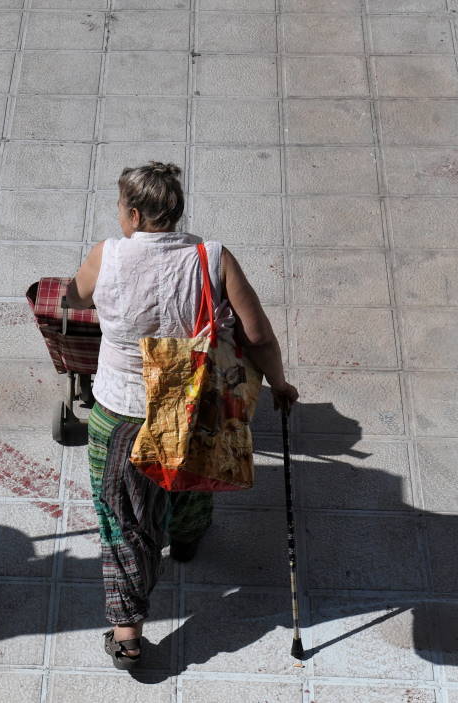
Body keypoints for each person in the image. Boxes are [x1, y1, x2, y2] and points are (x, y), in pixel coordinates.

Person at [65, 162, 299, 669]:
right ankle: (187, 540)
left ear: (132, 213)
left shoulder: (107, 255)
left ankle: (127, 632)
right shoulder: (213, 258)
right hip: (192, 405)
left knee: (122, 515)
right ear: (174, 211)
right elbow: (257, 336)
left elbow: (74, 297)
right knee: (189, 476)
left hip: (120, 408)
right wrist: (279, 385)